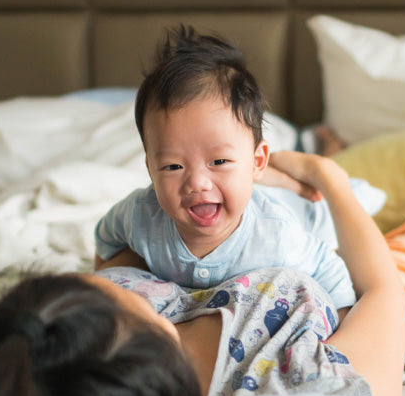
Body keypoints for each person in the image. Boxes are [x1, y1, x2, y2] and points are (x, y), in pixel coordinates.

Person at [0, 151, 405, 396]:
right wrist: (329, 179)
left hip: (278, 238)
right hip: (360, 280)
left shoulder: (91, 325)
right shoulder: (305, 385)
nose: (98, 282)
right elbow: (382, 291)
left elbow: (128, 250)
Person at [94, 25, 355, 319]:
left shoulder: (277, 235)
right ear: (151, 170)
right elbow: (107, 235)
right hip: (245, 183)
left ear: (258, 162)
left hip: (305, 208)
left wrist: (343, 323)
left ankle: (326, 157)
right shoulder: (140, 215)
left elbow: (329, 269)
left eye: (218, 161)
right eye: (173, 166)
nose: (197, 183)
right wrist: (106, 272)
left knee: (332, 201)